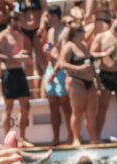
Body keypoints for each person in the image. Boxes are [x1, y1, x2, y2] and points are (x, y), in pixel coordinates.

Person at [0, 12, 34, 146]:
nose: (20, 23)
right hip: (8, 73)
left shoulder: (19, 36)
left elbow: (19, 54)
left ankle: (22, 138)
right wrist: (13, 58)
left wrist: (24, 57)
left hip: (19, 71)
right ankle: (8, 141)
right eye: (18, 20)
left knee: (25, 106)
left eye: (21, 20)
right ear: (11, 20)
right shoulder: (2, 36)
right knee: (8, 107)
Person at [92, 12, 117, 140]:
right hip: (105, 75)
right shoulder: (101, 37)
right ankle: (97, 137)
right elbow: (91, 54)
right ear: (113, 20)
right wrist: (104, 53)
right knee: (102, 107)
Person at [60, 22, 100, 145]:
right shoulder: (69, 46)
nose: (84, 32)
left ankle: (93, 138)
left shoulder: (84, 45)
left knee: (91, 112)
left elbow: (91, 64)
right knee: (77, 111)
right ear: (76, 32)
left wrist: (97, 81)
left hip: (90, 81)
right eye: (81, 30)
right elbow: (62, 64)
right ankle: (76, 138)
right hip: (76, 80)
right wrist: (79, 69)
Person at [43, 5, 74, 145]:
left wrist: (54, 72)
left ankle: (71, 137)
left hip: (61, 70)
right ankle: (56, 138)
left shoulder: (65, 32)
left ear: (55, 16)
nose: (46, 19)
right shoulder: (50, 31)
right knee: (53, 104)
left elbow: (62, 56)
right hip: (51, 69)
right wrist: (48, 49)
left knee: (65, 105)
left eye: (48, 16)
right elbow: (50, 48)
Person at [17, 0, 48, 92]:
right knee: (28, 63)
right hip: (24, 30)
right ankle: (31, 91)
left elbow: (45, 9)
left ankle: (47, 88)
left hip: (38, 29)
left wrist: (42, 25)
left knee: (42, 60)